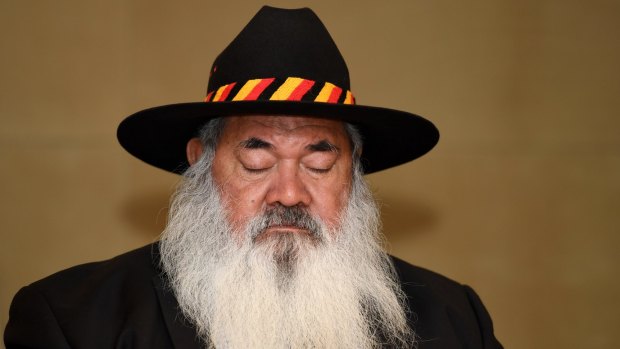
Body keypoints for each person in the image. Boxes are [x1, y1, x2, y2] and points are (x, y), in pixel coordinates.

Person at [4, 6, 503, 349]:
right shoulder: (74, 320)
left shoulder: (452, 318)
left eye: (319, 157)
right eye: (257, 156)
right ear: (201, 162)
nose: (288, 192)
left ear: (354, 172)